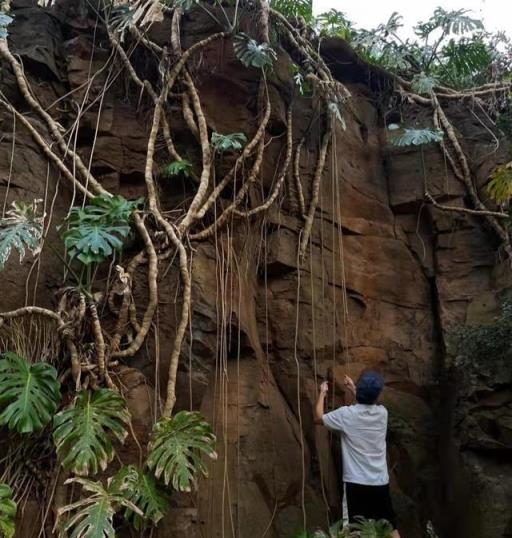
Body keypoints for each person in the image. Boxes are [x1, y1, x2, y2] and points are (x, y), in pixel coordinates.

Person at [314, 371, 400, 538]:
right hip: (379, 482)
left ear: (360, 391)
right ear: (377, 394)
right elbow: (368, 404)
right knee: (390, 528)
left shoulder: (346, 414)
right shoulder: (383, 413)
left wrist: (322, 393)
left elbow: (318, 418)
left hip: (356, 483)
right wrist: (354, 389)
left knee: (355, 531)